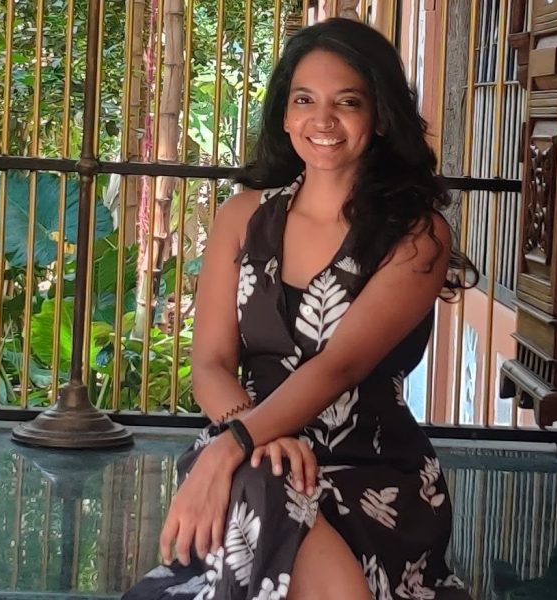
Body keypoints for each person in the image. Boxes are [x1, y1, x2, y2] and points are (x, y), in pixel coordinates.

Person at [124, 17, 475, 600]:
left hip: (371, 468)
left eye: (348, 102)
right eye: (305, 100)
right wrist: (252, 436)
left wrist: (235, 444)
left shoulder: (416, 235)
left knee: (262, 483)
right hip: (251, 445)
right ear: (285, 117)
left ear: (380, 117)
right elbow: (209, 363)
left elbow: (340, 366)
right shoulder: (241, 217)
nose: (323, 119)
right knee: (265, 479)